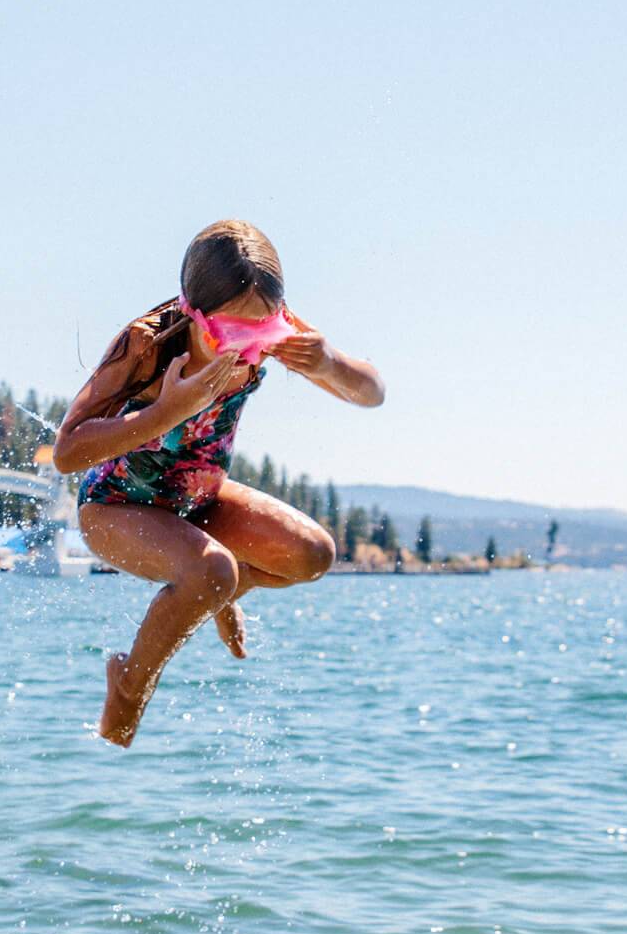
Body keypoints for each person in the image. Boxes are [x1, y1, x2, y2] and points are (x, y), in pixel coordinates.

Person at [52, 219, 384, 747]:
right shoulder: (148, 343)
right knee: (211, 571)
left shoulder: (277, 332)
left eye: (262, 333)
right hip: (115, 505)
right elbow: (67, 452)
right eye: (231, 334)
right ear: (192, 312)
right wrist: (164, 412)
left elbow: (371, 394)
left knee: (313, 554)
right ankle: (129, 687)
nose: (247, 350)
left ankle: (217, 592)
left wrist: (327, 363)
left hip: (197, 501)